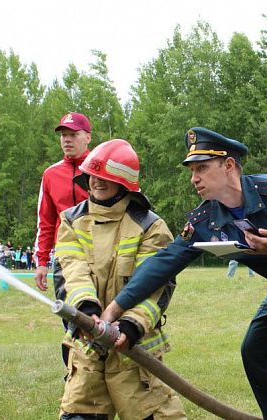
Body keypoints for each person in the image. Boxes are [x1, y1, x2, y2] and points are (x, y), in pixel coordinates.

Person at [102, 127, 267, 420]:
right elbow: (164, 262)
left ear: (229, 166)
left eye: (202, 167)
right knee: (254, 351)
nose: (194, 178)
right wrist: (114, 308)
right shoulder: (205, 219)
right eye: (191, 170)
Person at [55, 139, 185, 419]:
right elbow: (71, 270)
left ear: (124, 183)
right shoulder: (71, 221)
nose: (97, 182)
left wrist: (131, 325)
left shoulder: (150, 226)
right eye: (93, 175)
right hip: (87, 347)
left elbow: (154, 286)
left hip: (132, 349)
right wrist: (85, 313)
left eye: (106, 177)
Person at [34, 112, 92, 365]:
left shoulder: (102, 167)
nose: (67, 140)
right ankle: (74, 370)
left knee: (99, 311)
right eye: (63, 136)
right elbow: (45, 221)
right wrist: (42, 261)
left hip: (100, 252)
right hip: (64, 256)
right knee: (70, 315)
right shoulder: (51, 174)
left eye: (73, 135)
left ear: (88, 137)